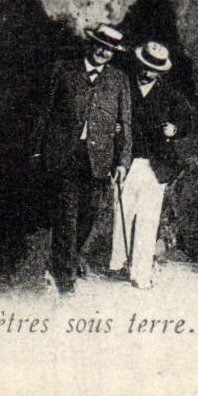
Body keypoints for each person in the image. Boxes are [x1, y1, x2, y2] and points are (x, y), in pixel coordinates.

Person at [33, 22, 134, 293]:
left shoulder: (118, 79)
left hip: (99, 159)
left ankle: (64, 262)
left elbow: (125, 124)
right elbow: (44, 114)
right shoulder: (64, 71)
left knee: (89, 217)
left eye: (110, 50)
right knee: (66, 216)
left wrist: (123, 162)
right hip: (65, 154)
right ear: (91, 44)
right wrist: (37, 150)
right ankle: (65, 280)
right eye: (100, 46)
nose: (104, 52)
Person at [109, 40, 193, 289]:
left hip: (156, 165)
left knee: (148, 218)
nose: (148, 73)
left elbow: (187, 120)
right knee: (121, 213)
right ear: (139, 64)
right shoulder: (124, 87)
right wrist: (113, 128)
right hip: (126, 161)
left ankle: (141, 272)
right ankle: (118, 263)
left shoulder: (170, 95)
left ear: (161, 71)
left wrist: (174, 129)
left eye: (154, 69)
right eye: (145, 66)